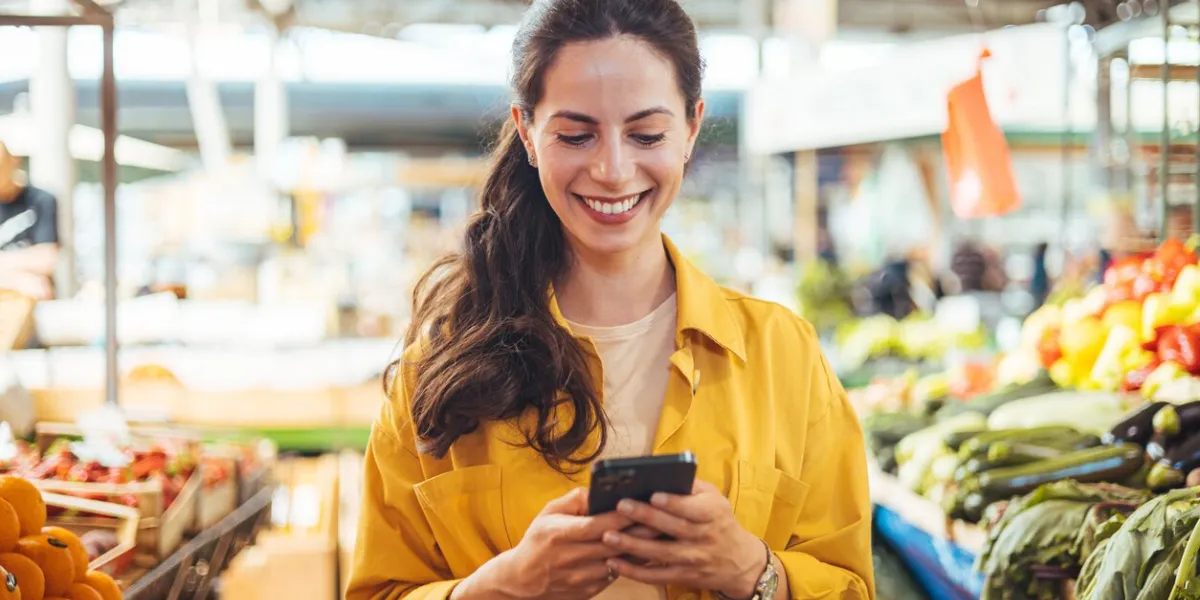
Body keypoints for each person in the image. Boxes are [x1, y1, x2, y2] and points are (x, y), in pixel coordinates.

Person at [345, 1, 874, 599]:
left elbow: (851, 583)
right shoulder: (437, 370)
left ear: (692, 128)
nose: (613, 170)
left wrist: (754, 572)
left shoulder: (785, 356)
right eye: (576, 135)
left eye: (646, 134)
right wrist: (500, 588)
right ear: (527, 132)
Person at [0, 140, 60, 301]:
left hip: (29, 300)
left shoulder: (40, 200)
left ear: (14, 161)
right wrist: (15, 279)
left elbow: (47, 259)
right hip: (24, 283)